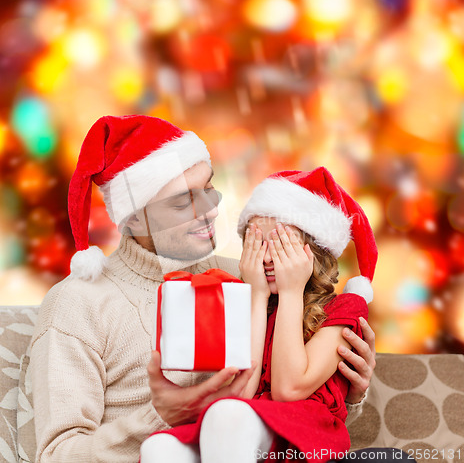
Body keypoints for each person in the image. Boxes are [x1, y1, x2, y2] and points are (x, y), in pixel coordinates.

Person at [30, 116, 375, 463]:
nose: (210, 211)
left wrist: (349, 387)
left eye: (209, 188)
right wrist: (160, 417)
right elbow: (57, 456)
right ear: (133, 218)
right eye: (183, 202)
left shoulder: (250, 275)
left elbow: (290, 403)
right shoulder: (77, 304)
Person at [140, 167, 378, 462]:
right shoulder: (249, 303)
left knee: (227, 414)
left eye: (280, 244)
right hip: (244, 428)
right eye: (256, 244)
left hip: (302, 436)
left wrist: (292, 292)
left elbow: (288, 389)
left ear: (314, 250)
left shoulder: (344, 308)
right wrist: (256, 295)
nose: (266, 257)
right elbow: (243, 391)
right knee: (158, 447)